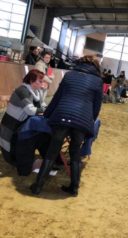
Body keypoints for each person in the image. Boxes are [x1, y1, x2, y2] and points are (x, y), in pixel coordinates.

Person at [30, 55, 103, 196]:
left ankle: (37, 186)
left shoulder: (69, 75)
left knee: (52, 153)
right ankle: (74, 188)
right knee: (75, 154)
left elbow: (57, 97)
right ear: (95, 66)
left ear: (79, 63)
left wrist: (46, 115)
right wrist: (90, 120)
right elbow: (96, 106)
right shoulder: (98, 81)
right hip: (81, 120)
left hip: (62, 116)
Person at [0, 69, 46, 166]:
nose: (42, 83)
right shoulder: (22, 91)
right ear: (31, 81)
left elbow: (42, 105)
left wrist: (45, 108)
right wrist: (46, 110)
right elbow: (31, 110)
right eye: (40, 81)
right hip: (12, 126)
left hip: (22, 123)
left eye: (43, 81)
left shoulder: (37, 91)